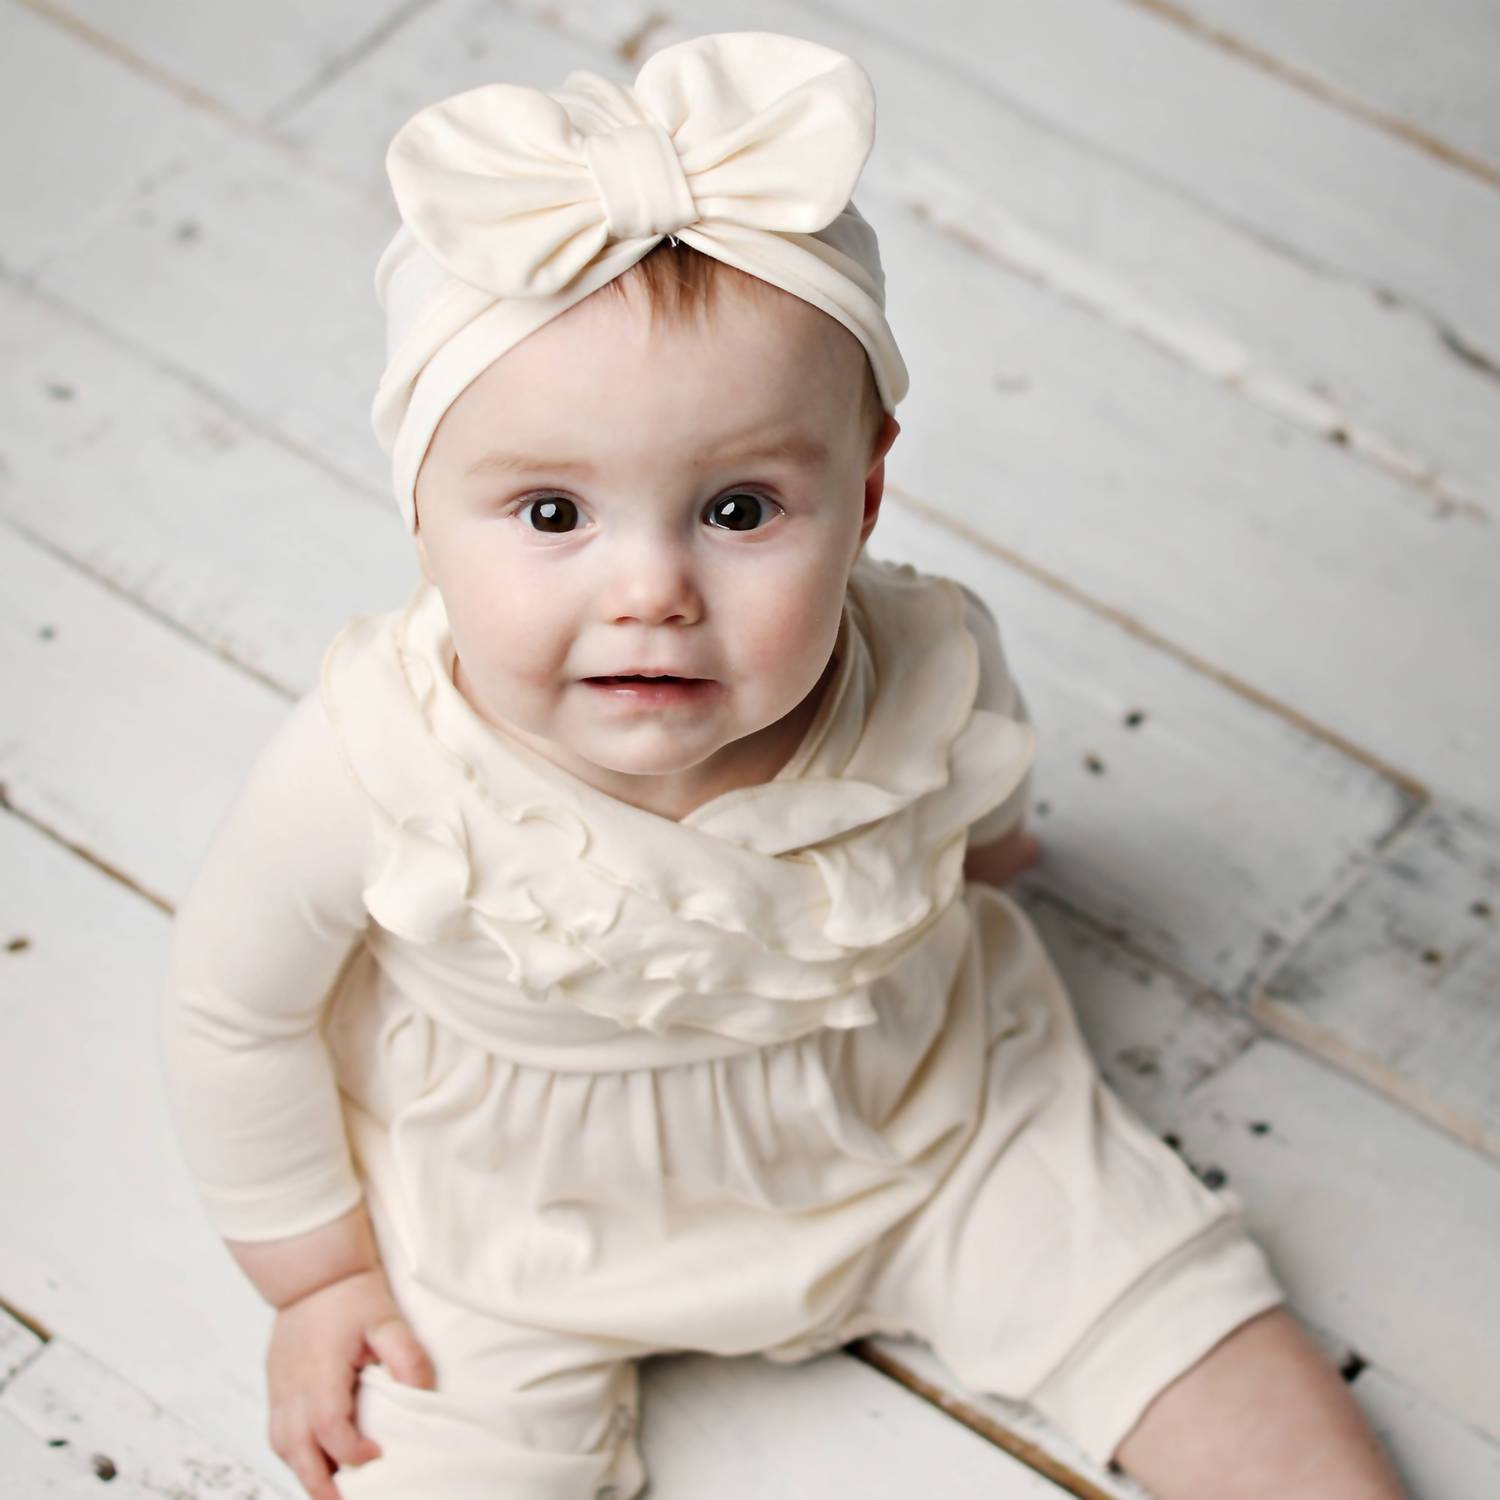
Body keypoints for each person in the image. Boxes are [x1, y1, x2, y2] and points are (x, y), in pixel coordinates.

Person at [159, 30, 1409, 1500]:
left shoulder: (930, 662)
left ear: (865, 496)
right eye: (553, 514)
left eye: (740, 510)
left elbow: (983, 802)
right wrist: (315, 1273)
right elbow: (233, 1014)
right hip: (504, 1211)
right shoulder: (372, 765)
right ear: (421, 515)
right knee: (432, 1464)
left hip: (917, 1115)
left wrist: (989, 856)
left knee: (1174, 1314)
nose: (651, 592)